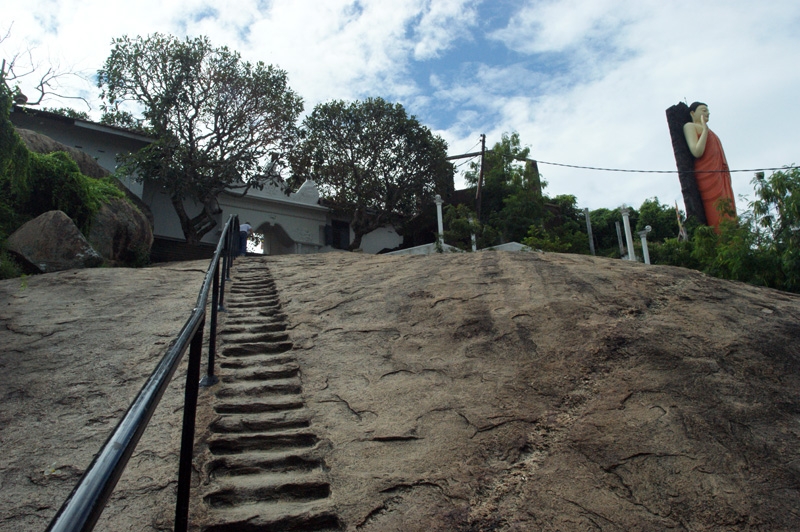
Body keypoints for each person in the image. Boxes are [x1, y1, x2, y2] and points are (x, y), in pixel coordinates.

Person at [682, 101, 736, 230]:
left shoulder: (713, 134)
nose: (707, 113)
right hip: (707, 176)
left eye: (708, 111)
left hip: (721, 178)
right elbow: (696, 151)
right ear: (692, 113)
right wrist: (705, 130)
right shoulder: (690, 126)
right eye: (703, 110)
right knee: (716, 213)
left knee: (728, 212)